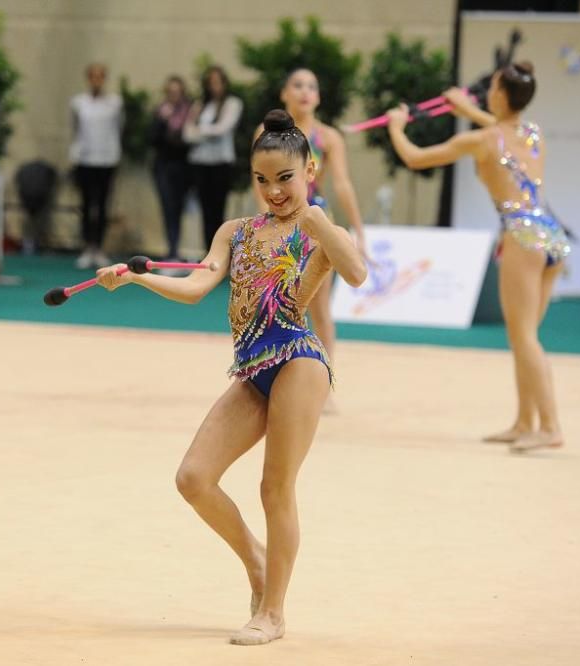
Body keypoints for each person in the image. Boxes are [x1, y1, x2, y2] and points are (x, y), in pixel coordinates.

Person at [96, 110, 367, 644]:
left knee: (275, 486)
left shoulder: (315, 227)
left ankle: (273, 612)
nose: (274, 191)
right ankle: (258, 564)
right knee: (193, 478)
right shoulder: (236, 233)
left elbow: (357, 273)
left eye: (286, 178)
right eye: (263, 180)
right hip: (252, 370)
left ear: (309, 169)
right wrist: (135, 278)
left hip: (298, 360)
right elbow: (197, 286)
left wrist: (321, 224)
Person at [387, 61, 569, 453]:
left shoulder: (481, 141)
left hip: (521, 237)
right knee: (526, 339)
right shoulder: (533, 133)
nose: (488, 93)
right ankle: (525, 422)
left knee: (523, 338)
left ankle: (550, 426)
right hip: (550, 235)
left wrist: (396, 128)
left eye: (493, 89)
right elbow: (501, 126)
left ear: (501, 95)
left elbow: (416, 158)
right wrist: (467, 111)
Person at [253, 68, 369, 412]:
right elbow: (259, 182)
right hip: (279, 222)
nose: (305, 92)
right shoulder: (267, 135)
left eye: (312, 87)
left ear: (318, 97)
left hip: (317, 223)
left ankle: (324, 385)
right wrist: (266, 225)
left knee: (319, 309)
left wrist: (359, 229)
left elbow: (344, 184)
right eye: (298, 85)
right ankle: (271, 378)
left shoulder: (329, 137)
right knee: (275, 305)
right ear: (284, 94)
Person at [69, 63, 123, 269]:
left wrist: (115, 155)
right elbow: (75, 129)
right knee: (85, 205)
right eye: (93, 77)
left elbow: (118, 128)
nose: (96, 81)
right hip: (84, 160)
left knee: (101, 205)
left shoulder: (114, 103)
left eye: (100, 77)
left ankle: (99, 248)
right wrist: (75, 154)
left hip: (107, 160)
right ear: (88, 79)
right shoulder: (78, 102)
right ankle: (86, 247)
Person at [183, 65, 242, 251]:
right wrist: (207, 131)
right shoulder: (200, 105)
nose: (214, 86)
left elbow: (223, 128)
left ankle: (221, 252)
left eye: (217, 82)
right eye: (210, 83)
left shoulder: (232, 103)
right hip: (200, 162)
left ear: (224, 83)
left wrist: (200, 131)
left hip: (221, 163)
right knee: (205, 210)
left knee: (218, 209)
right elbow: (187, 134)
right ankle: (208, 251)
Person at [149, 75, 193, 262]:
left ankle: (177, 249)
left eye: (177, 92)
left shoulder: (190, 112)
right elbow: (150, 139)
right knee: (167, 207)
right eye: (171, 92)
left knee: (179, 207)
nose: (174, 95)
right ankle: (171, 249)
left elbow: (190, 141)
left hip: (183, 167)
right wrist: (161, 120)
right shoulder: (160, 111)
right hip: (163, 166)